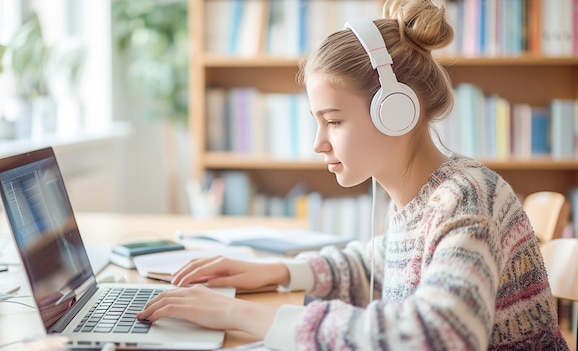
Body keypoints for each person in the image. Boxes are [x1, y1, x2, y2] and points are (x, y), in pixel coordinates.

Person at [137, 0, 569, 349]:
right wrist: (279, 272)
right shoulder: (421, 199)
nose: (317, 143)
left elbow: (441, 334)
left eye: (334, 121)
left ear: (396, 111)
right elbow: (377, 264)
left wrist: (240, 314)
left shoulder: (469, 198)